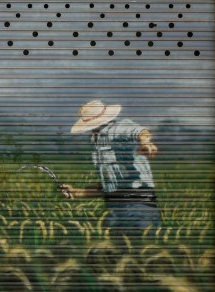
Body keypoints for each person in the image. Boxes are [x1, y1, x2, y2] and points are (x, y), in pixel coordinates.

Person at [61, 98, 161, 234]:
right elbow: (110, 185)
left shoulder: (116, 128)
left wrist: (146, 143)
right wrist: (78, 192)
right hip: (114, 207)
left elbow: (138, 131)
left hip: (137, 204)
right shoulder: (97, 142)